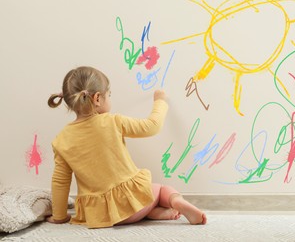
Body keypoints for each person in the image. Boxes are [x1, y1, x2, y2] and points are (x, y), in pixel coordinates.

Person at [46, 66, 207, 228]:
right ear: (97, 99)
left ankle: (152, 213)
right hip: (134, 206)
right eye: (109, 95)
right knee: (161, 189)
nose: (109, 98)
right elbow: (152, 126)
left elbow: (60, 181)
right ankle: (177, 202)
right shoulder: (112, 121)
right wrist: (160, 101)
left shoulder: (61, 140)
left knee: (139, 204)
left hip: (100, 216)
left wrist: (58, 216)